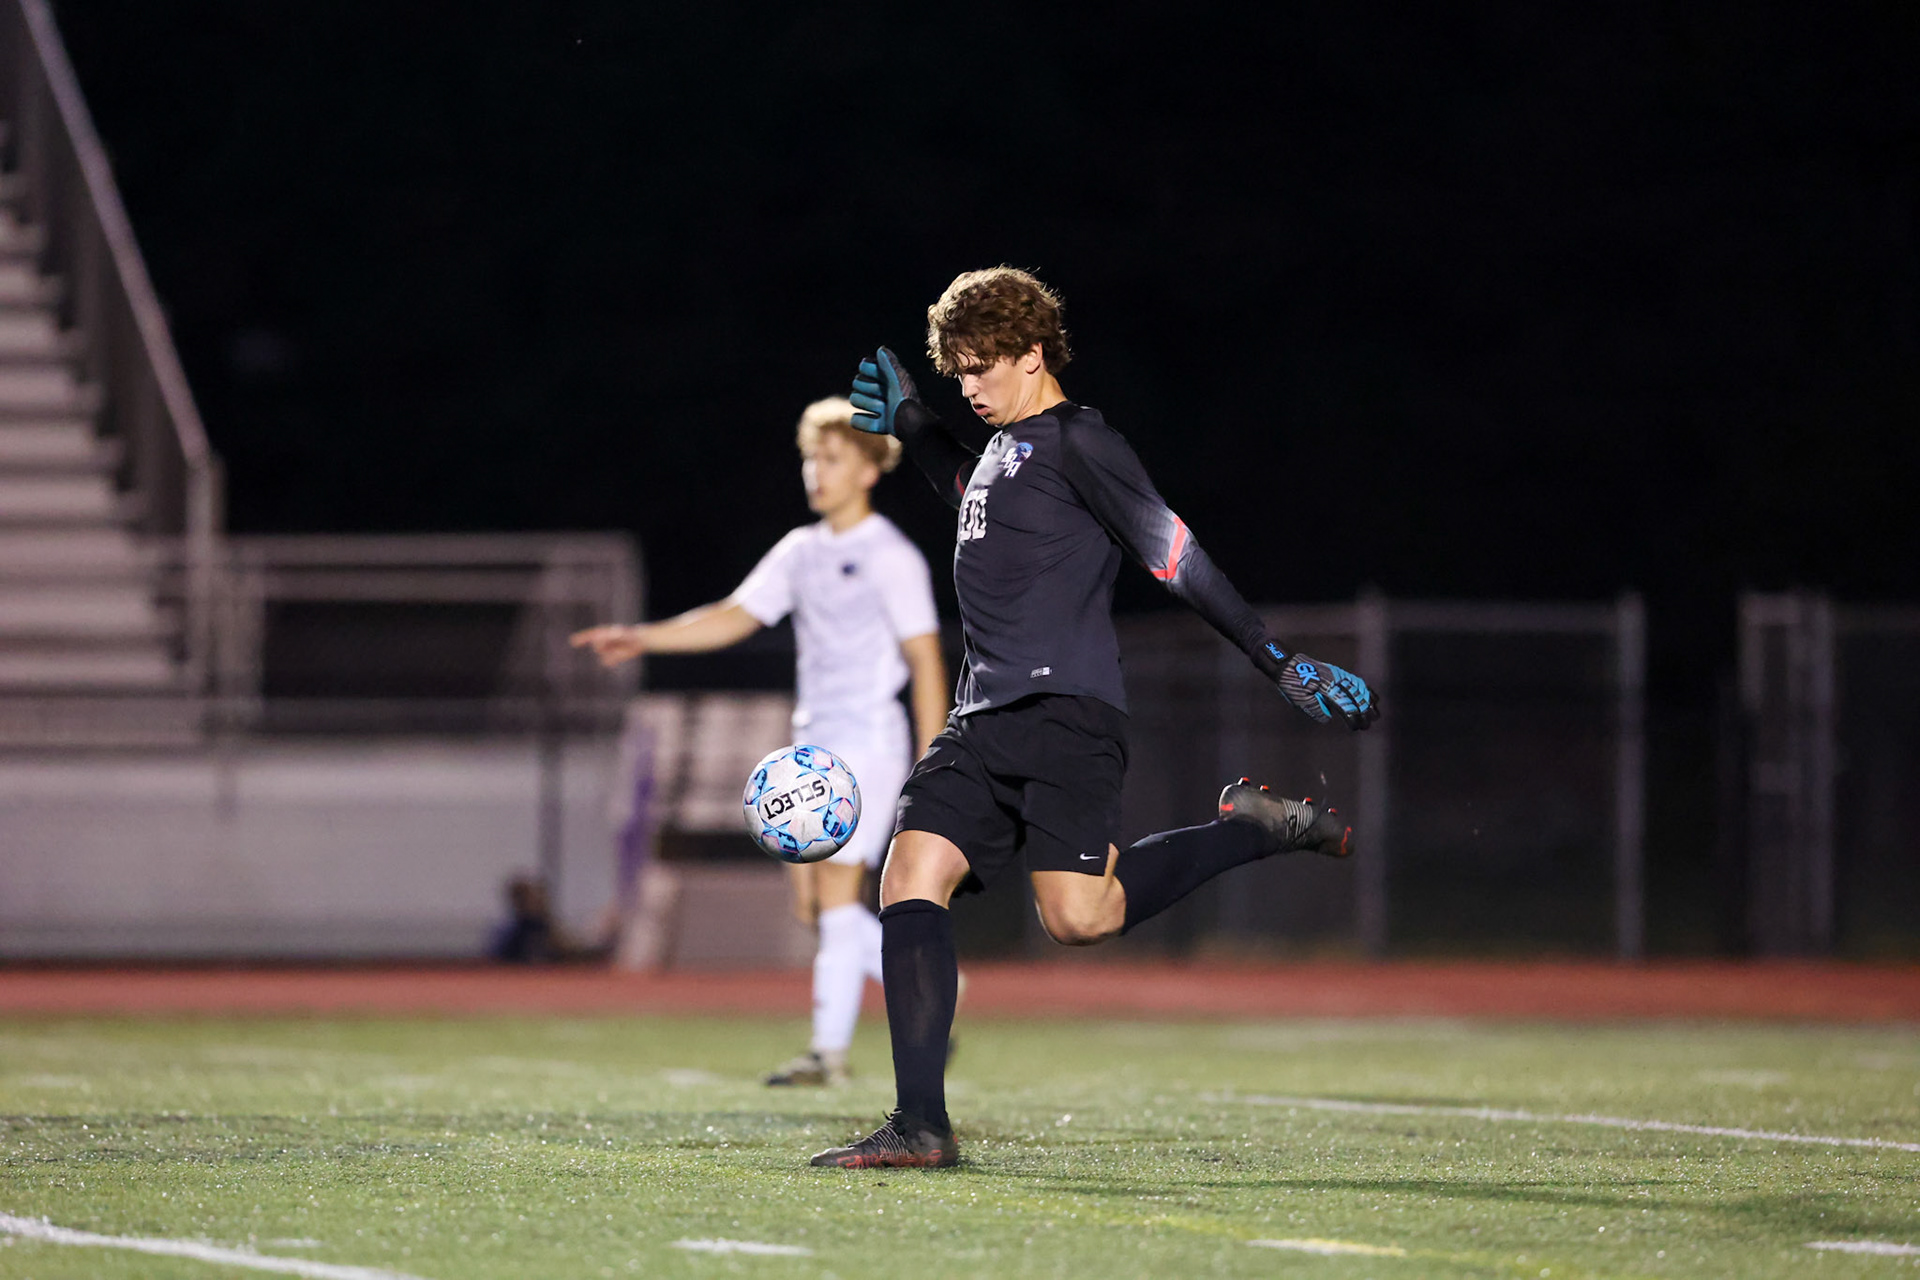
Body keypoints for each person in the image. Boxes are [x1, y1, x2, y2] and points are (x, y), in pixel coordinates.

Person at [810, 268, 1378, 1169]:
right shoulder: (1003, 445)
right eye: (956, 371)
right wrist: (917, 422)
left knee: (1080, 919)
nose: (970, 387)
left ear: (1034, 355)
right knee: (909, 878)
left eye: (982, 368)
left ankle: (1252, 830)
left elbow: (1171, 552)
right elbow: (975, 494)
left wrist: (1275, 658)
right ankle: (921, 1125)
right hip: (981, 715)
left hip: (1068, 714)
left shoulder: (1080, 439)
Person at [572, 397, 948, 1086]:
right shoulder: (802, 551)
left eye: (833, 458)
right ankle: (936, 988)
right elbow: (734, 615)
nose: (817, 470)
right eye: (812, 457)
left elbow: (925, 661)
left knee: (835, 893)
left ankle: (826, 1055)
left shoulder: (889, 556)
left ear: (870, 469)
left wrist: (934, 763)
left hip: (869, 742)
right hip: (811, 745)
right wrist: (644, 636)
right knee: (814, 907)